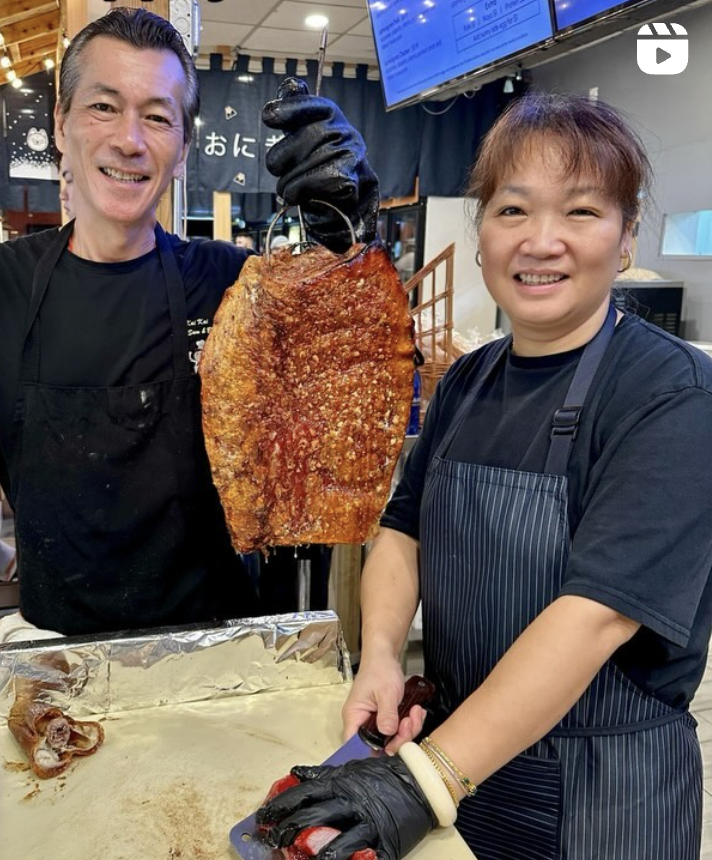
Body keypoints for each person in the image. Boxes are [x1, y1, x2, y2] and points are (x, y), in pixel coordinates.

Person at [258, 92, 712, 860]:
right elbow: (404, 531)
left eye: (581, 213)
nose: (542, 241)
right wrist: (379, 661)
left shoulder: (669, 397)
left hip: (604, 795)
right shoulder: (469, 382)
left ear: (627, 237)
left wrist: (422, 779)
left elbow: (597, 613)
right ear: (480, 235)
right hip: (465, 773)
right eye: (512, 211)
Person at [0, 8, 379, 638]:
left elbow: (343, 400)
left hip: (220, 646)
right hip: (57, 652)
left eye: (157, 116)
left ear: (183, 149)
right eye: (104, 107)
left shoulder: (237, 284)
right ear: (60, 124)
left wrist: (349, 245)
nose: (129, 139)